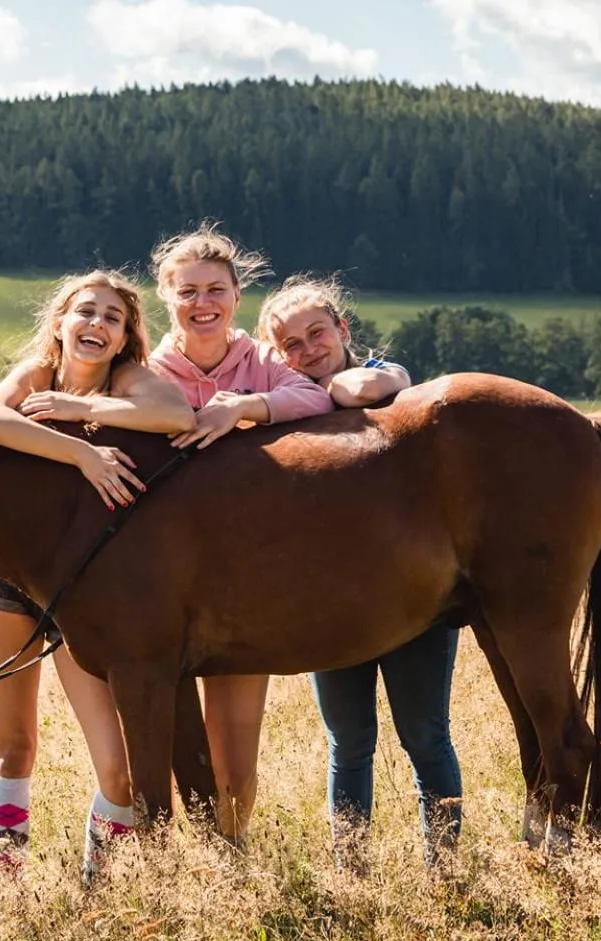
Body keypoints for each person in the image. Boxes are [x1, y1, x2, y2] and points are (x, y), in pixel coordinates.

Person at [0, 269, 194, 877]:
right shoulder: (35, 376)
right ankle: (8, 886)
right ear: (61, 322)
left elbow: (178, 414)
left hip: (82, 592)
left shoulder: (130, 381)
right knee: (13, 749)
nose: (97, 324)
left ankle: (99, 893)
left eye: (112, 318)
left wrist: (80, 409)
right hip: (9, 583)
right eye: (85, 312)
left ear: (124, 339)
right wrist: (83, 451)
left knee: (118, 769)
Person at [256, 274, 464, 869]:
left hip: (413, 592)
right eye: (290, 345)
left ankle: (443, 867)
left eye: (316, 332)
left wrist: (306, 387)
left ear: (343, 329)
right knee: (349, 746)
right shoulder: (285, 405)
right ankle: (353, 869)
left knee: (425, 736)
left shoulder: (384, 377)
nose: (308, 349)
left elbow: (365, 386)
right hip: (329, 603)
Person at [146, 225, 335, 844]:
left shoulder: (263, 363)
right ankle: (175, 857)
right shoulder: (146, 374)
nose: (204, 303)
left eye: (217, 290)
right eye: (189, 291)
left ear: (236, 295)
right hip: (160, 581)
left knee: (236, 754)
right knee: (156, 748)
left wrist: (241, 407)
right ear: (166, 297)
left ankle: (233, 858)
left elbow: (315, 399)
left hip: (240, 585)